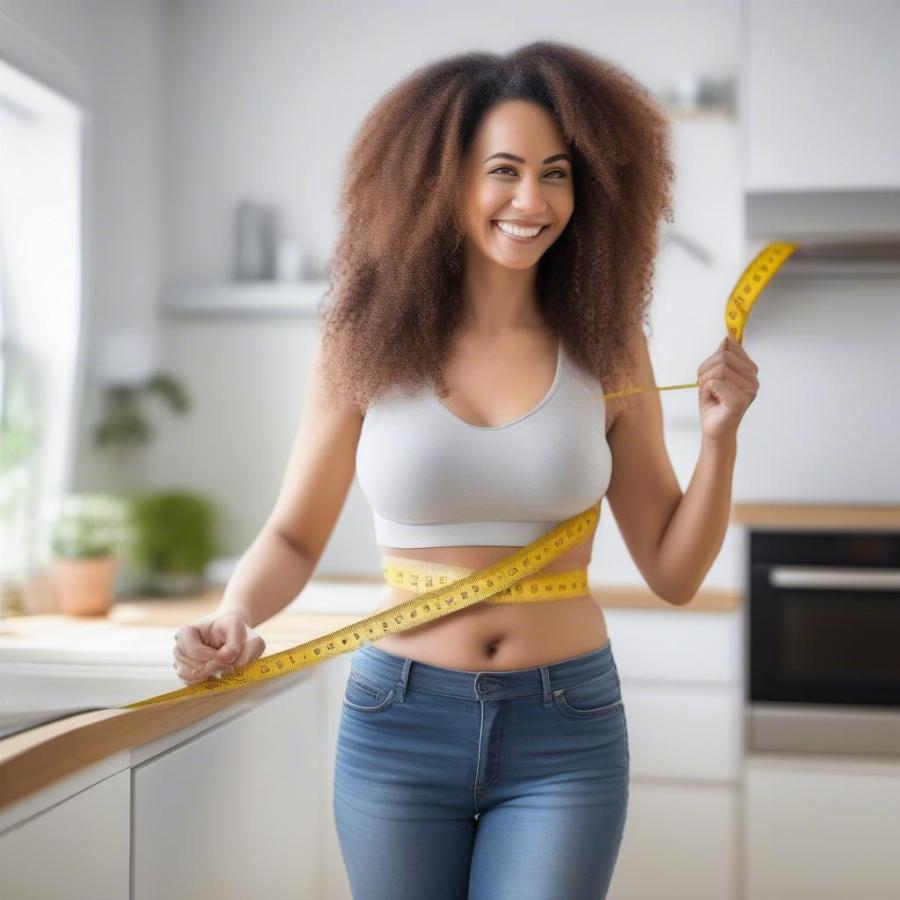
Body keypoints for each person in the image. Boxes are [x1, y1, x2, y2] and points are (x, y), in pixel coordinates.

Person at [171, 41, 759, 900]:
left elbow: (673, 571)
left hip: (567, 727)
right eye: (505, 171)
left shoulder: (608, 345)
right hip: (396, 723)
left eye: (556, 174)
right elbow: (295, 534)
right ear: (442, 181)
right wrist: (233, 614)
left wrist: (721, 439)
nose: (533, 200)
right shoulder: (360, 338)